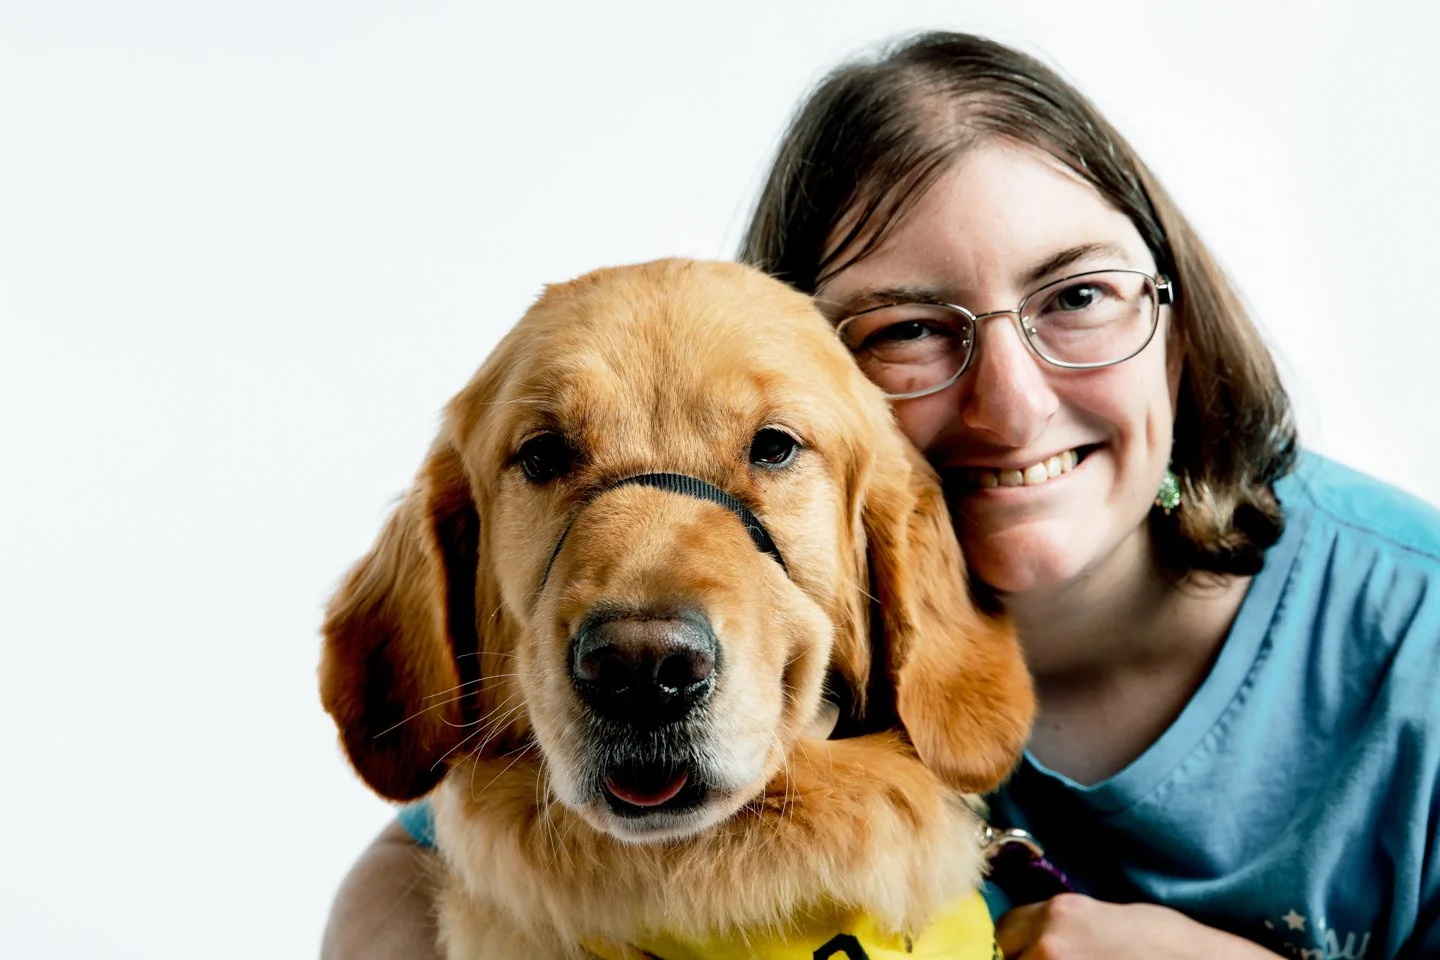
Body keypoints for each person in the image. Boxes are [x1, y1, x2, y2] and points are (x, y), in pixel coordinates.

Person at [322, 32, 1440, 959]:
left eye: (1079, 295)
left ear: (1178, 326)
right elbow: (412, 857)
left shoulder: (1414, 639)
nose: (1011, 402)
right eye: (907, 330)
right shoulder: (786, 610)